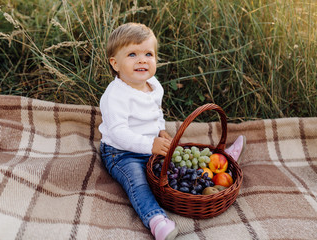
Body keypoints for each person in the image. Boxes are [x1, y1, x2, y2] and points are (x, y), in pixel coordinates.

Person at [98, 22, 246, 240]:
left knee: (181, 163)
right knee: (136, 182)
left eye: (148, 53)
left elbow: (156, 111)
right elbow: (119, 133)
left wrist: (160, 130)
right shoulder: (115, 96)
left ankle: (218, 162)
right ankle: (157, 221)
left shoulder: (154, 84)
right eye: (132, 54)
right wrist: (150, 145)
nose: (142, 60)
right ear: (115, 63)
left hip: (152, 144)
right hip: (121, 152)